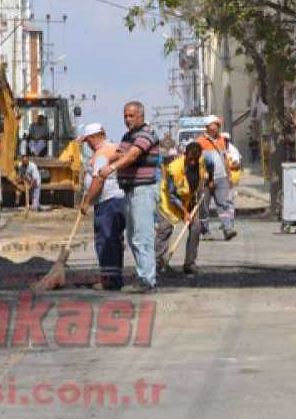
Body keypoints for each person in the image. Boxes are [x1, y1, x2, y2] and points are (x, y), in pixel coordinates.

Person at [98, 101, 161, 294]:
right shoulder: (128, 136)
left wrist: (112, 167)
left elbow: (132, 156)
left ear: (141, 116)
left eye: (131, 116)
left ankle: (147, 279)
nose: (127, 119)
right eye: (125, 116)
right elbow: (121, 153)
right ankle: (144, 275)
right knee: (133, 237)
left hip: (143, 190)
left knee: (143, 237)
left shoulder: (146, 134)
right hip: (130, 190)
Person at [78, 123, 126, 291]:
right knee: (115, 240)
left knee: (106, 240)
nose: (87, 145)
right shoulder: (114, 147)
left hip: (108, 202)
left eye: (87, 141)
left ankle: (109, 280)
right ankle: (115, 277)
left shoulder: (101, 154)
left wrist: (87, 201)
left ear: (93, 137)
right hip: (118, 200)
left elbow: (98, 180)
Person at [156, 142, 214, 276]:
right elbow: (171, 195)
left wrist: (210, 179)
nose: (193, 163)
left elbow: (211, 163)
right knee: (165, 230)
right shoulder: (174, 169)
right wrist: (185, 212)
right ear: (185, 155)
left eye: (195, 159)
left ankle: (190, 264)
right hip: (169, 203)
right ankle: (159, 263)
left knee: (196, 228)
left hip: (189, 200)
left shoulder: (203, 159)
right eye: (190, 159)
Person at [196, 117, 237, 240]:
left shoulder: (221, 140)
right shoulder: (200, 141)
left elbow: (224, 159)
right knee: (203, 206)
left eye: (217, 126)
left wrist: (228, 175)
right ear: (207, 127)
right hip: (204, 180)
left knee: (224, 204)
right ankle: (205, 232)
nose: (216, 128)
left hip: (221, 178)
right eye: (214, 125)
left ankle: (227, 229)